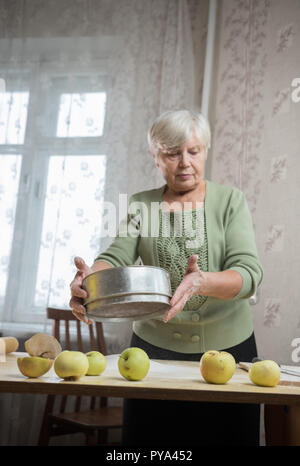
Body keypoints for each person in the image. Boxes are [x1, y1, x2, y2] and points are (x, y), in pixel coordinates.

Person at [70, 109, 263, 446]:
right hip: (152, 354)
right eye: (172, 153)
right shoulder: (140, 205)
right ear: (156, 158)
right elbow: (114, 258)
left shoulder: (231, 202)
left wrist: (203, 281)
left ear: (205, 151)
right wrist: (89, 280)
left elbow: (248, 274)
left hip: (230, 352)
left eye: (193, 151)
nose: (185, 163)